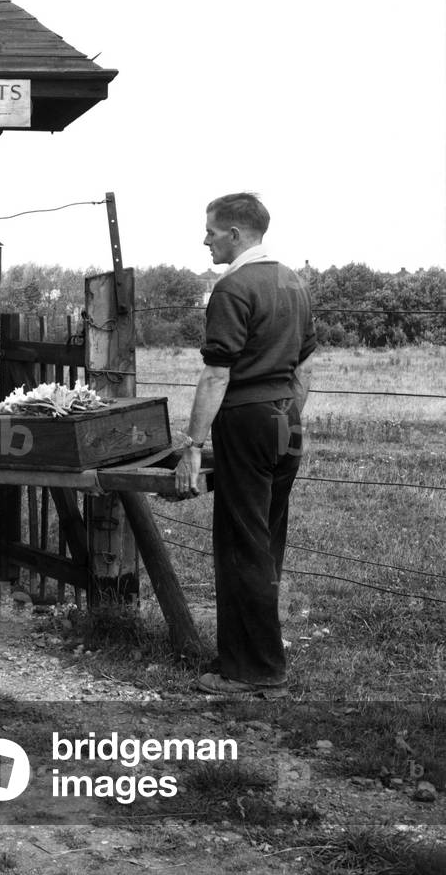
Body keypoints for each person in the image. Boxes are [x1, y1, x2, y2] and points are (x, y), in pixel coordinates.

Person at [174, 192, 316, 698]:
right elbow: (303, 365)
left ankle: (255, 670)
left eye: (211, 230)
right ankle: (243, 654)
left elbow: (216, 374)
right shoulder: (293, 282)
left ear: (236, 234)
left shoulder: (233, 287)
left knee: (241, 545)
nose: (205, 239)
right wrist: (286, 410)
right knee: (266, 542)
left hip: (247, 418)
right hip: (287, 421)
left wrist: (192, 444)